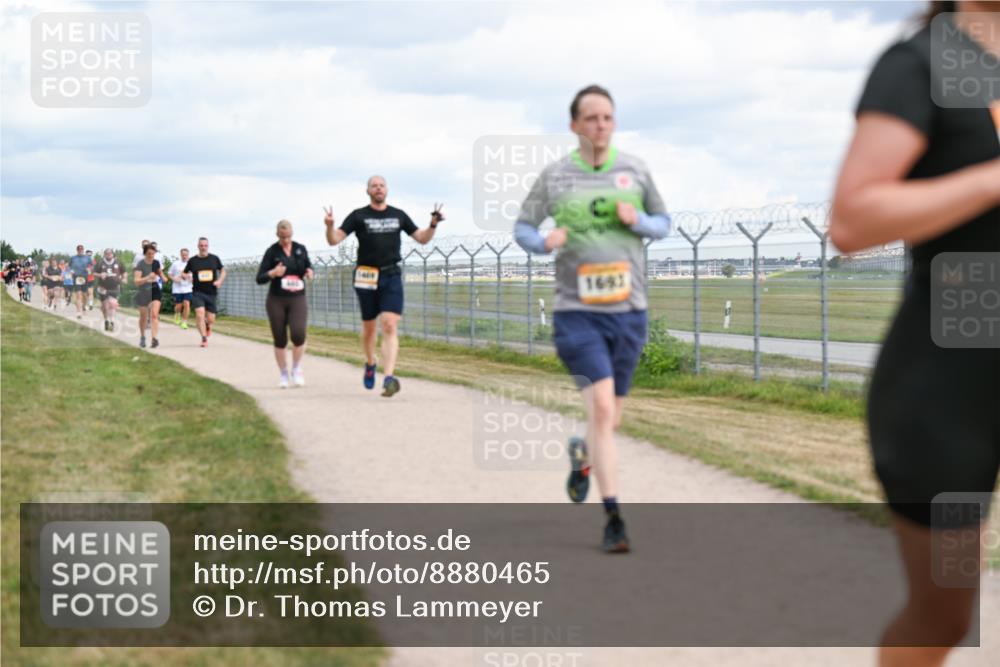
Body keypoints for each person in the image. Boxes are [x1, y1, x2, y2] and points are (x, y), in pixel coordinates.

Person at [830, 4, 1000, 666]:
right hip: (951, 393)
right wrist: (991, 180)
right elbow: (853, 219)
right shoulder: (926, 63)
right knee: (943, 614)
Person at [514, 85, 671, 553]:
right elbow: (523, 226)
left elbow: (663, 223)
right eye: (591, 118)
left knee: (609, 419)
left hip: (628, 313)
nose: (600, 125)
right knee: (602, 409)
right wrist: (544, 242)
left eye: (607, 117)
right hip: (576, 314)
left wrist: (637, 221)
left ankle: (583, 455)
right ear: (575, 125)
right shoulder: (556, 176)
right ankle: (614, 519)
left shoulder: (634, 170)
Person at [323, 175, 443, 396]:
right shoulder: (358, 216)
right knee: (369, 328)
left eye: (381, 185)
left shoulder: (398, 215)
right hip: (366, 275)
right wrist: (329, 227)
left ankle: (388, 377)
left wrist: (433, 225)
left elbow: (422, 238)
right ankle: (370, 363)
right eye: (374, 186)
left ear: (386, 190)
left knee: (389, 324)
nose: (378, 188)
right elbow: (334, 240)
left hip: (391, 275)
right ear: (368, 191)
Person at [256, 220, 314, 387]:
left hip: (297, 298)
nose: (286, 240)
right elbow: (259, 278)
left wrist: (310, 271)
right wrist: (273, 273)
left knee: (298, 334)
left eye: (288, 237)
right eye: (282, 237)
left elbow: (308, 266)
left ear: (292, 234)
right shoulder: (272, 251)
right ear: (277, 235)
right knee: (280, 338)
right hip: (277, 299)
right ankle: (283, 373)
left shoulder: (300, 249)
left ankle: (296, 368)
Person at [183, 237, 226, 348]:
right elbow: (184, 273)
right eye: (201, 245)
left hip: (211, 292)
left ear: (208, 246)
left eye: (205, 245)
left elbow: (223, 271)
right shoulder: (193, 261)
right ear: (198, 246)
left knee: (211, 319)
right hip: (197, 292)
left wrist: (220, 281)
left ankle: (208, 325)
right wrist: (187, 276)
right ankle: (204, 338)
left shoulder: (214, 259)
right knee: (200, 314)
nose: (203, 247)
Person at [133, 243, 164, 348]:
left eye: (153, 253)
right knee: (143, 317)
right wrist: (147, 278)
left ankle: (154, 339)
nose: (151, 255)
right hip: (143, 291)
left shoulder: (156, 262)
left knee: (154, 314)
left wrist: (163, 277)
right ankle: (142, 337)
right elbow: (136, 282)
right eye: (149, 253)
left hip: (155, 289)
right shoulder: (140, 264)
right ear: (145, 254)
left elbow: (159, 272)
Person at [94, 248, 125, 331]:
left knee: (112, 304)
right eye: (107, 254)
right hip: (102, 287)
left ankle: (112, 322)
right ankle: (106, 320)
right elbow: (94, 273)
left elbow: (124, 272)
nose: (108, 255)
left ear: (112, 254)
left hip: (115, 286)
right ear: (104, 254)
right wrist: (100, 275)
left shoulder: (118, 262)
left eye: (110, 253)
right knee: (105, 306)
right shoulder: (100, 263)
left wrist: (124, 278)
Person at [167, 247, 193, 329]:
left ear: (188, 255)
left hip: (188, 288)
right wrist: (174, 279)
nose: (184, 256)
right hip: (177, 288)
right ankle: (177, 314)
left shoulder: (192, 264)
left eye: (186, 255)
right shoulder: (176, 264)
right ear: (180, 255)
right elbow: (169, 273)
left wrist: (191, 278)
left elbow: (195, 275)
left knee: (187, 304)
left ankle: (184, 322)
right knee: (179, 305)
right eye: (183, 255)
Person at [67, 245, 91, 319]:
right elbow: (69, 266)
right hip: (76, 277)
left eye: (81, 250)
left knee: (84, 295)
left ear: (83, 250)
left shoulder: (87, 258)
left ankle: (84, 306)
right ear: (77, 250)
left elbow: (92, 265)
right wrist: (71, 271)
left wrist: (89, 269)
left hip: (84, 277)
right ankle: (78, 312)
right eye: (79, 250)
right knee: (78, 295)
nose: (80, 251)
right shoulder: (73, 258)